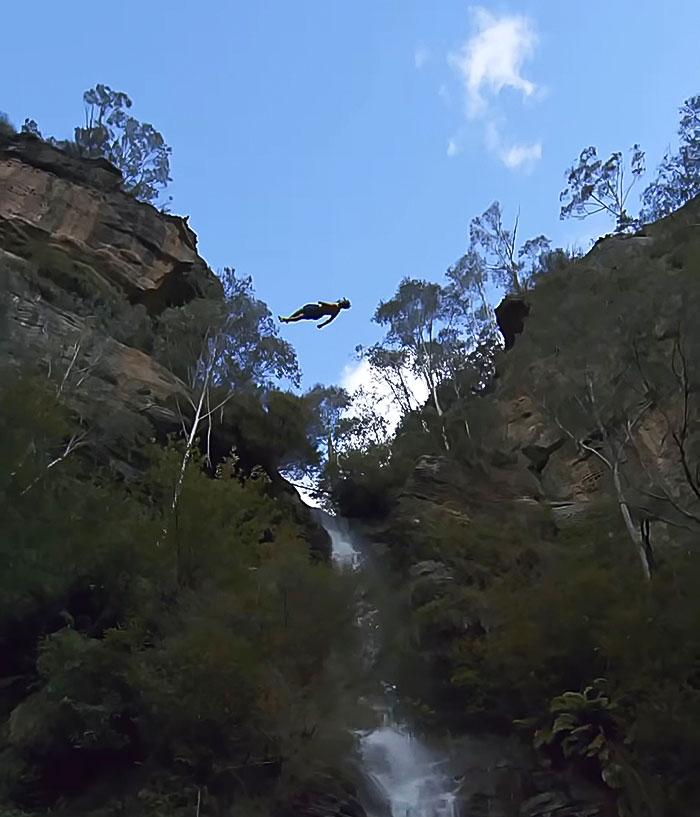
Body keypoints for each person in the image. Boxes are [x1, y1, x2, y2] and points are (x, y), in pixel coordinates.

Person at [279, 298, 351, 329]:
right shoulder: (337, 311)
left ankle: (286, 319)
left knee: (301, 314)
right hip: (318, 313)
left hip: (317, 310)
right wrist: (322, 325)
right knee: (301, 313)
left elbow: (325, 303)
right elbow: (330, 320)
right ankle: (287, 319)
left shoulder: (335, 306)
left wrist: (321, 302)